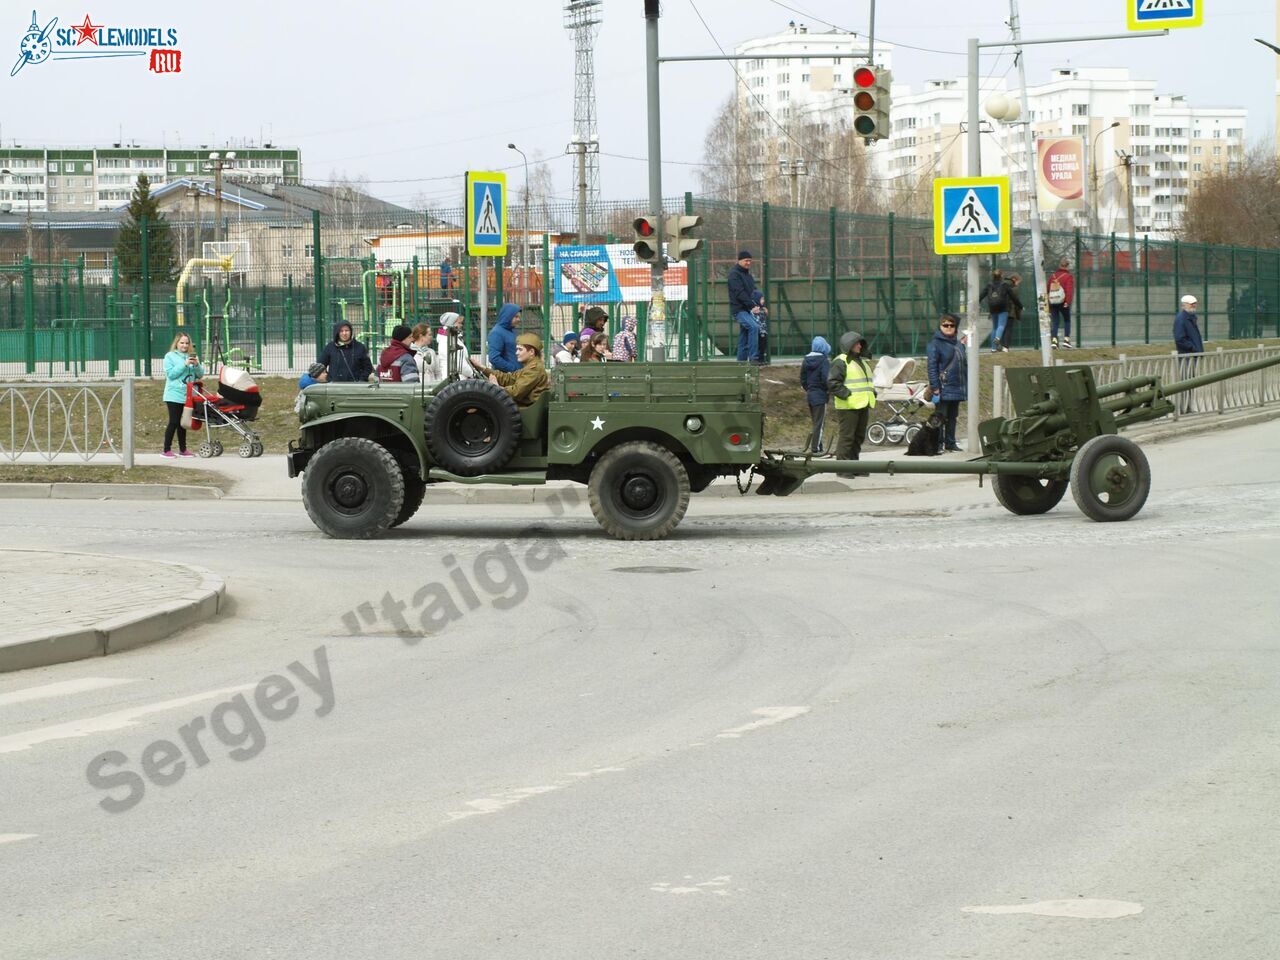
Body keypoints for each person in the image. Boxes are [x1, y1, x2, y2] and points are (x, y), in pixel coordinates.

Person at [827, 331, 876, 478]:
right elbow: (832, 382)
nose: (860, 346)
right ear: (849, 345)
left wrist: (872, 393)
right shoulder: (841, 361)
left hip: (862, 404)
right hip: (848, 406)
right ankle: (842, 467)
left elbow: (865, 383)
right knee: (847, 437)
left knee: (858, 437)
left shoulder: (861, 362)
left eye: (861, 343)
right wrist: (846, 394)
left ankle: (854, 465)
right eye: (857, 343)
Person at [469, 332, 549, 406]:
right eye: (517, 349)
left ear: (531, 352)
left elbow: (516, 392)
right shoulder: (530, 367)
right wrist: (483, 368)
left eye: (520, 349)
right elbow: (509, 378)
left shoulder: (534, 369)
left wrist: (497, 388)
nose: (516, 353)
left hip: (526, 408)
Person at [926, 313, 967, 453]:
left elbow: (964, 365)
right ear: (940, 326)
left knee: (953, 417)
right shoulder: (935, 344)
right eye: (946, 325)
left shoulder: (958, 344)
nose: (949, 327)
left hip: (956, 387)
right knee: (940, 418)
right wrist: (935, 387)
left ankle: (950, 442)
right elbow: (932, 367)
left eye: (952, 325)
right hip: (943, 387)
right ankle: (937, 444)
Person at [162, 332, 203, 457]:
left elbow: (200, 374)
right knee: (174, 421)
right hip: (174, 394)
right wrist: (184, 364)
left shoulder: (192, 356)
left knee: (183, 423)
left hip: (188, 394)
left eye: (187, 343)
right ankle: (166, 450)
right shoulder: (170, 356)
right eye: (182, 343)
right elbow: (171, 374)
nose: (184, 345)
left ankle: (183, 449)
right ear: (177, 343)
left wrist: (196, 365)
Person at [728, 249, 765, 363]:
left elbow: (752, 292)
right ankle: (753, 358)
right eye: (746, 260)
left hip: (747, 309)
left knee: (744, 337)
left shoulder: (748, 276)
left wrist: (759, 306)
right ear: (739, 260)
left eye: (750, 261)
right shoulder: (734, 275)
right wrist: (751, 306)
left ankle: (741, 362)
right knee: (754, 327)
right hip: (739, 310)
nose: (748, 263)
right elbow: (739, 293)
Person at [800, 336, 831, 454]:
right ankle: (815, 448)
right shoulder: (824, 361)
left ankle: (819, 445)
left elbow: (803, 379)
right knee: (820, 423)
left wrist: (808, 389)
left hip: (810, 395)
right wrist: (827, 390)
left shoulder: (806, 360)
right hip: (820, 395)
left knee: (815, 422)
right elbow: (826, 378)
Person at [1174, 294, 1204, 412]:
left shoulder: (1190, 317)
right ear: (1185, 305)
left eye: (1195, 304)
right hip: (1186, 355)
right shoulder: (1182, 318)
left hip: (1191, 355)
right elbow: (1179, 338)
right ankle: (1183, 408)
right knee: (1186, 382)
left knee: (1190, 382)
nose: (1194, 306)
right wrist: (1193, 349)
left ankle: (1187, 407)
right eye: (1192, 304)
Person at [430, 312, 475, 380]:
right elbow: (459, 364)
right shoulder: (446, 340)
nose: (461, 325)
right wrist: (472, 374)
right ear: (451, 324)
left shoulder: (452, 338)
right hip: (454, 379)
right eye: (459, 323)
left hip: (458, 378)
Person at [979, 268, 1014, 353]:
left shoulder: (989, 285)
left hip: (993, 308)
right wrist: (1020, 305)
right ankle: (998, 338)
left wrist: (977, 302)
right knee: (1001, 325)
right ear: (1001, 275)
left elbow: (982, 295)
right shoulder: (1004, 284)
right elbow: (1013, 296)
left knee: (994, 327)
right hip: (1003, 307)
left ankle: (993, 348)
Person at [1048, 258, 1074, 349]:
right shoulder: (1068, 276)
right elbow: (1069, 290)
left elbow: (1048, 289)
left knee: (1055, 321)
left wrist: (1049, 302)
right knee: (1067, 320)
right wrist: (1067, 302)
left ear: (1059, 265)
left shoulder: (1053, 276)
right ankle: (1066, 340)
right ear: (1067, 266)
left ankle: (1054, 341)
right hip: (1063, 302)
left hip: (1053, 302)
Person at [487, 303, 522, 372]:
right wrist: (513, 369)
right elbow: (494, 358)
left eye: (519, 317)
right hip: (506, 377)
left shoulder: (511, 331)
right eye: (516, 317)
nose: (519, 319)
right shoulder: (496, 333)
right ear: (508, 316)